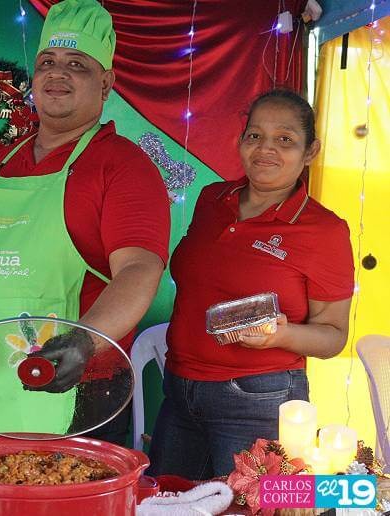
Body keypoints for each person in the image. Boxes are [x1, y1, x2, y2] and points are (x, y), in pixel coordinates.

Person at [0, 0, 170, 444]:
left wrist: (86, 340)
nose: (58, 73)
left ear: (106, 83)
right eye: (47, 62)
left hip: (74, 382)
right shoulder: (1, 164)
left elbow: (139, 269)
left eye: (77, 64)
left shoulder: (123, 165)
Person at [147, 89, 354, 479]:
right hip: (179, 390)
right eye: (255, 135)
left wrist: (280, 335)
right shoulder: (212, 199)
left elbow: (333, 337)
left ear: (310, 151)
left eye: (285, 139)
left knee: (251, 504)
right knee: (169, 500)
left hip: (258, 399)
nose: (266, 149)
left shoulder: (324, 230)